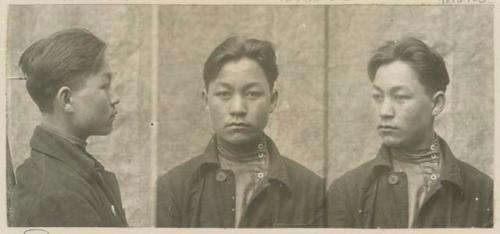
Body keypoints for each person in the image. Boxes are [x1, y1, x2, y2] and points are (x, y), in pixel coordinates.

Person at [156, 36, 324, 228]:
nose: (238, 108)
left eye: (252, 93)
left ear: (273, 100)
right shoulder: (174, 188)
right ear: (206, 100)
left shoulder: (310, 189)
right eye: (224, 94)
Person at [327, 37, 493, 228]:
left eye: (400, 97)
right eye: (378, 97)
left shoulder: (484, 192)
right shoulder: (348, 191)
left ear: (437, 103)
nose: (384, 111)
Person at [11, 28, 127, 227]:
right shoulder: (55, 195)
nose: (115, 98)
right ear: (67, 100)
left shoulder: (68, 172)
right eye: (104, 86)